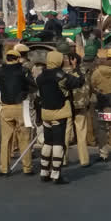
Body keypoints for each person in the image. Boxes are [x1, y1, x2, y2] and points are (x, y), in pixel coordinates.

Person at [37, 50, 83, 183]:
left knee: (47, 142)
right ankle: (56, 175)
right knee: (58, 143)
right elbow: (78, 82)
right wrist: (76, 68)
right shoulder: (61, 76)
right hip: (59, 113)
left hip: (46, 113)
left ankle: (44, 172)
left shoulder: (41, 76)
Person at [0, 49, 35, 176]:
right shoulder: (23, 71)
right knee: (25, 137)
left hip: (6, 106)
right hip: (22, 106)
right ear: (18, 59)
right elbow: (33, 85)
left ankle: (4, 168)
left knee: (6, 139)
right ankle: (27, 167)